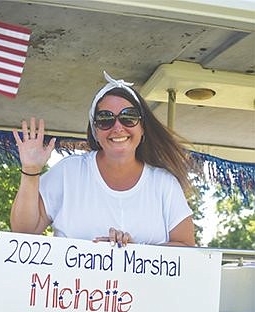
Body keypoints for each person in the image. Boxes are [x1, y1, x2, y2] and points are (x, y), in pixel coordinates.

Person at [11, 72, 195, 247]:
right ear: (95, 132)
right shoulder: (68, 172)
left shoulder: (164, 183)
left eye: (128, 117)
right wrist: (31, 170)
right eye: (105, 119)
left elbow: (186, 247)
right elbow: (23, 231)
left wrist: (135, 254)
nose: (117, 127)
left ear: (142, 128)